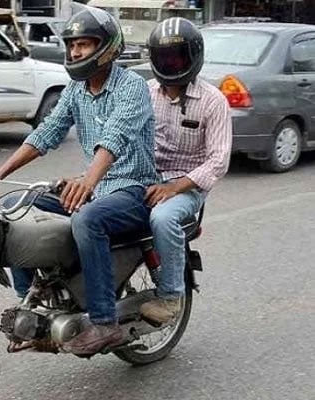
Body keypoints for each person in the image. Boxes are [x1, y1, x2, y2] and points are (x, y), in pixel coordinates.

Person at [0, 5, 157, 355]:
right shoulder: (76, 90)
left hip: (133, 189)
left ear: (107, 48)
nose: (76, 52)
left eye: (85, 44)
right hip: (93, 186)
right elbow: (46, 133)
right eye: (72, 45)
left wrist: (88, 181)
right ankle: (31, 307)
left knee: (87, 218)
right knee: (11, 209)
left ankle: (105, 322)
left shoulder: (132, 86)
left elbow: (115, 137)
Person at [139, 17, 232, 324]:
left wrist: (174, 187)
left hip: (188, 187)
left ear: (193, 57)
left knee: (162, 218)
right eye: (163, 56)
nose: (169, 64)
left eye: (176, 56)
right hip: (145, 177)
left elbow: (218, 161)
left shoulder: (213, 101)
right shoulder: (145, 92)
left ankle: (170, 297)